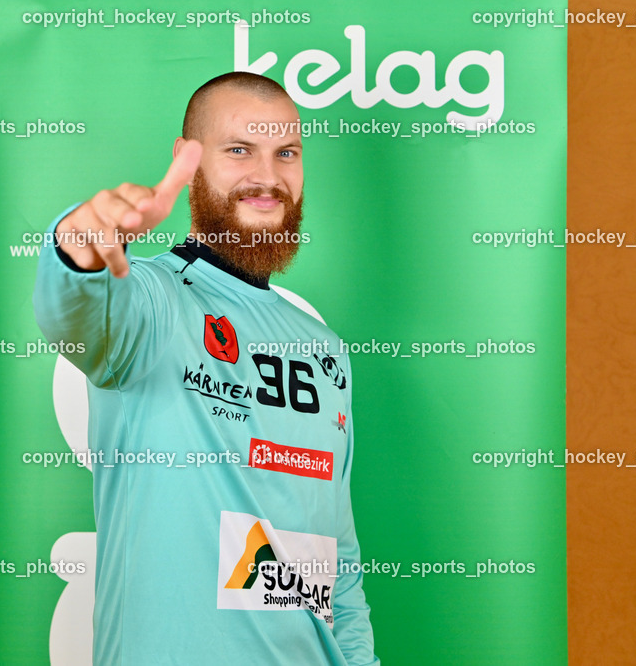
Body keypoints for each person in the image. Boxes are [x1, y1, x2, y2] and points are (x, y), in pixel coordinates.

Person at [33, 72, 379, 665]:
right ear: (187, 162)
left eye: (286, 153)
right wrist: (82, 239)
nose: (268, 178)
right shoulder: (149, 302)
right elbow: (74, 312)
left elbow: (337, 562)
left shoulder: (326, 350)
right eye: (239, 150)